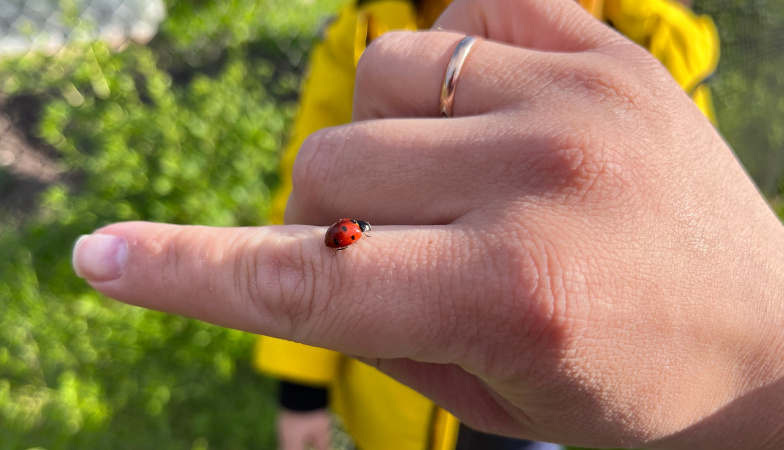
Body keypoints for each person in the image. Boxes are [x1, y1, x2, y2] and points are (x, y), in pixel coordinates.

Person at [71, 0, 784, 448]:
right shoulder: (358, 35)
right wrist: (301, 389)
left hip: (584, 401)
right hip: (405, 410)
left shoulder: (639, 37)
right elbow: (307, 203)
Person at [256, 0, 719, 449]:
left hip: (544, 378)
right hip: (395, 400)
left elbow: (691, 226)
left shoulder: (652, 39)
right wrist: (302, 391)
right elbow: (312, 198)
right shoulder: (366, 29)